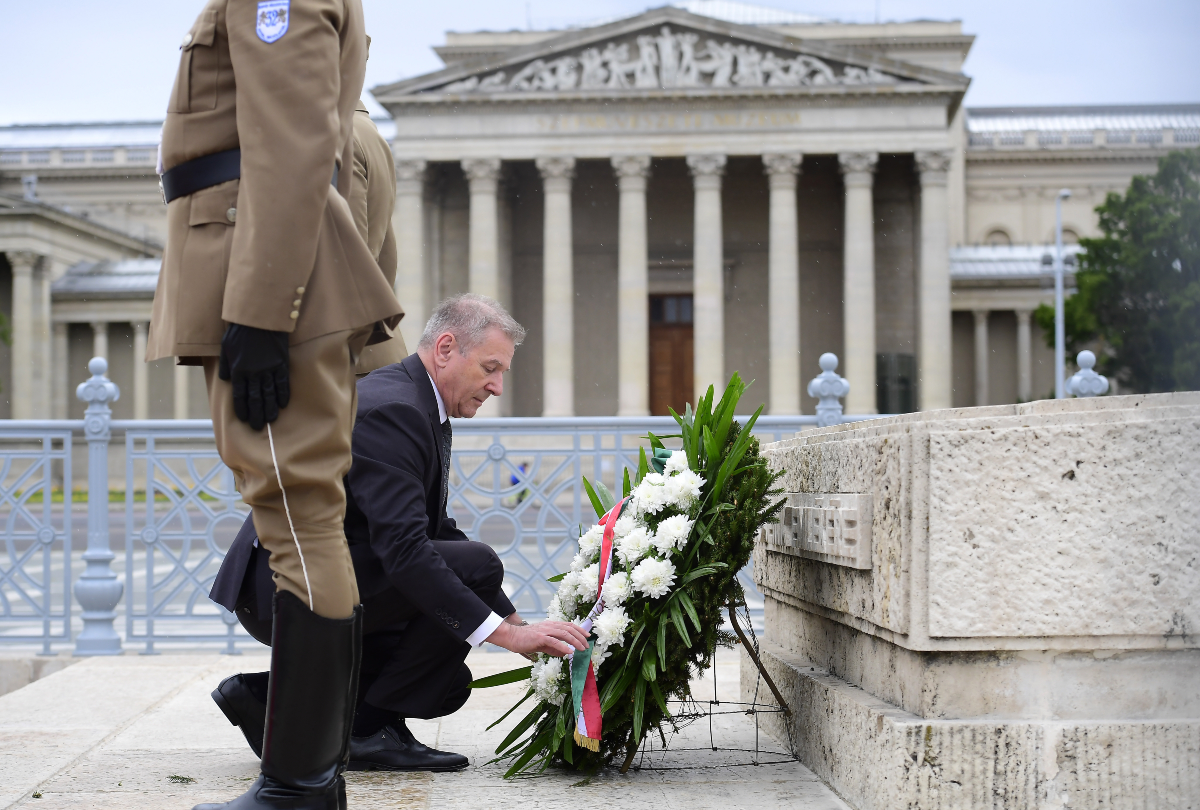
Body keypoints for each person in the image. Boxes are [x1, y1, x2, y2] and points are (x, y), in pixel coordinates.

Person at [145, 2, 402, 808]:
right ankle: (306, 775)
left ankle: (298, 786)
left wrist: (259, 310)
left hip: (262, 274)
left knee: (295, 515)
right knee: (300, 514)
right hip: (267, 261)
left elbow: (291, 141)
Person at [209, 294, 589, 771]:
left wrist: (513, 623)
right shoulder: (396, 409)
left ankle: (268, 698)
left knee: (448, 679)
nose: (496, 387)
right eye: (491, 368)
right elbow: (407, 551)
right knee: (474, 570)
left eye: (502, 373)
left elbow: (434, 531)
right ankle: (367, 729)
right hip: (287, 586)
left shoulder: (413, 398)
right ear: (446, 348)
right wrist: (507, 639)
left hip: (318, 572)